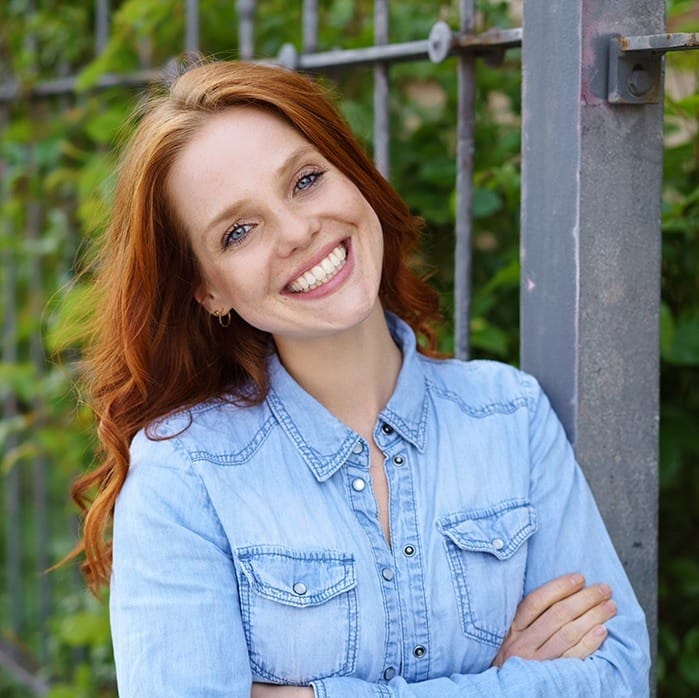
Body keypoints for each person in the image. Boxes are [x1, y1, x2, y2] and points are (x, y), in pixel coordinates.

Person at [71, 60, 649, 697]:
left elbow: (616, 676)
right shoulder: (186, 473)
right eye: (239, 231)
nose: (297, 232)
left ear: (354, 174)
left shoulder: (509, 416)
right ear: (208, 291)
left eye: (306, 180)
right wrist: (506, 680)